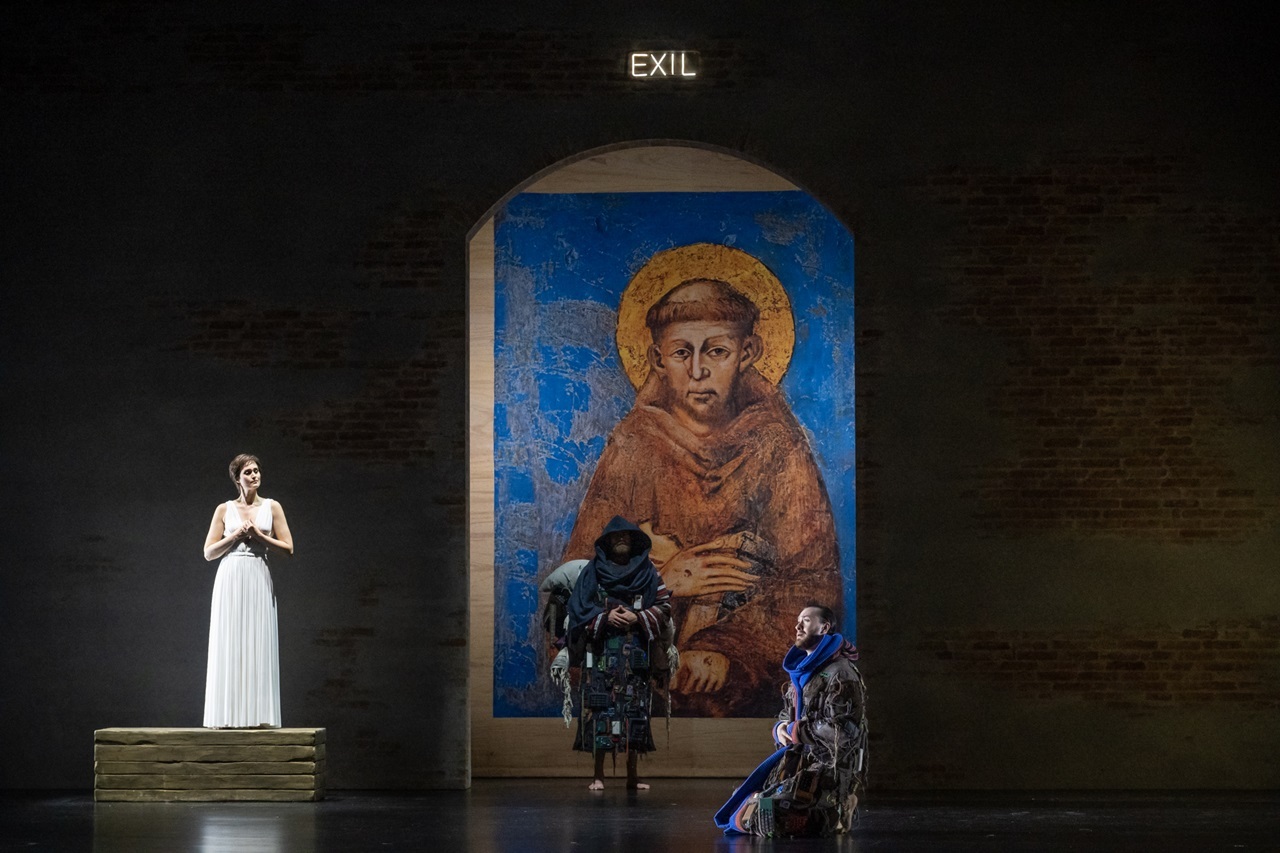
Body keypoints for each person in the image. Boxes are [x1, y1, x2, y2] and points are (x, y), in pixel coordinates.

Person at [561, 278, 841, 716]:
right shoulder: (634, 447)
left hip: (741, 680)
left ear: (747, 353)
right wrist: (664, 583)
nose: (696, 371)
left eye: (716, 351)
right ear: (657, 359)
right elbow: (575, 584)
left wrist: (724, 652)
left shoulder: (778, 446)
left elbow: (811, 581)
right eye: (680, 353)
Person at [714, 604, 867, 837]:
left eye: (805, 620)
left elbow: (843, 732)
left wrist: (797, 731)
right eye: (798, 620)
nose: (797, 626)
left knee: (771, 817)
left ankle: (840, 807)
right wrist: (781, 729)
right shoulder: (801, 672)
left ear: (824, 627)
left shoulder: (840, 674)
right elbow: (787, 714)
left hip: (828, 767)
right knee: (743, 803)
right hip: (795, 763)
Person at [564, 516, 673, 790]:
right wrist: (605, 616)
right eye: (616, 537)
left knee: (635, 712)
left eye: (626, 536)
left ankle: (632, 775)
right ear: (608, 542)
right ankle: (598, 775)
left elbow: (663, 606)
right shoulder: (593, 571)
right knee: (600, 711)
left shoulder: (648, 572)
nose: (621, 540)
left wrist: (638, 618)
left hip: (635, 654)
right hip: (600, 654)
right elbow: (578, 608)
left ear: (634, 540)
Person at [201, 453, 294, 728]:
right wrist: (236, 536)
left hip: (257, 573)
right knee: (230, 640)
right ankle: (226, 717)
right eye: (248, 473)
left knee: (257, 639)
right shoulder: (224, 509)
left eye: (256, 471)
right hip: (230, 575)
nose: (255, 476)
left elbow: (288, 548)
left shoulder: (273, 507)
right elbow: (208, 552)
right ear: (237, 478)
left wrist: (258, 535)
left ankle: (259, 717)